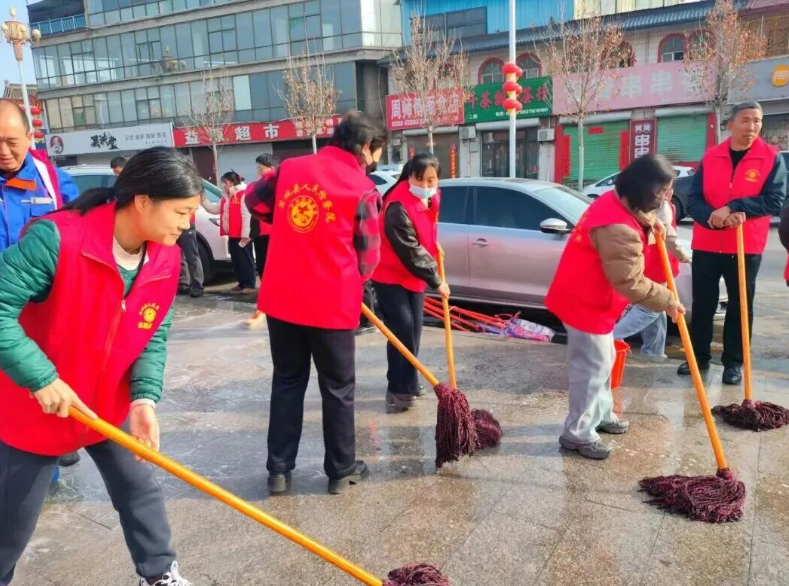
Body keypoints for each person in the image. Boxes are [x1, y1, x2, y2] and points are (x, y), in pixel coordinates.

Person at [0, 147, 202, 586]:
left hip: (106, 403)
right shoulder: (58, 240)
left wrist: (144, 397)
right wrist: (42, 377)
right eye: (182, 211)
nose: (188, 224)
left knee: (140, 490)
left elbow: (152, 333)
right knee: (12, 522)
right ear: (144, 201)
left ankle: (161, 573)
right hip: (38, 405)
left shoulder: (165, 258)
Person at [245, 111, 387, 494]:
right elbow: (368, 258)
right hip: (331, 302)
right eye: (375, 153)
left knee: (288, 381)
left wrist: (292, 224)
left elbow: (253, 203)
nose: (374, 162)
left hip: (283, 297)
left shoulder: (289, 168)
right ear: (364, 147)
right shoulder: (361, 188)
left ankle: (278, 470)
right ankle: (341, 471)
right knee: (337, 388)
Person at [546, 154, 685, 460]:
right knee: (591, 368)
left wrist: (652, 227)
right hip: (585, 302)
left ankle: (602, 413)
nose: (664, 198)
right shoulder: (616, 226)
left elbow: (636, 221)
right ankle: (577, 432)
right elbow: (630, 281)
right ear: (642, 190)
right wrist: (668, 301)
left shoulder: (616, 200)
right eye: (660, 192)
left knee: (605, 358)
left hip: (593, 298)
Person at [680, 101, 787, 385]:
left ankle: (734, 362)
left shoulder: (771, 158)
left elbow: (774, 200)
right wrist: (711, 217)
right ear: (731, 124)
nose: (752, 127)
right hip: (706, 241)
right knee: (703, 302)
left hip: (746, 244)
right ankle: (698, 357)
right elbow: (694, 200)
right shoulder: (712, 156)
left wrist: (735, 206)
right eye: (746, 120)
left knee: (741, 305)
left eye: (757, 121)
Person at [0, 98, 81, 469]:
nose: (4, 152)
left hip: (43, 311)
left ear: (30, 137)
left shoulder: (53, 182)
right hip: (3, 307)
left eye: (12, 141)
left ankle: (46, 459)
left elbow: (81, 235)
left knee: (42, 384)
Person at [371, 153, 450, 411]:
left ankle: (410, 380)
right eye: (422, 179)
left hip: (413, 276)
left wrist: (434, 243)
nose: (427, 185)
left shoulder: (432, 197)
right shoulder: (396, 206)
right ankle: (397, 389)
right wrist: (437, 280)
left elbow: (427, 226)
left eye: (432, 180)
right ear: (410, 176)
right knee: (402, 331)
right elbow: (409, 248)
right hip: (390, 275)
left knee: (414, 331)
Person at [614, 182, 691, 361]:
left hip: (654, 262)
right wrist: (682, 255)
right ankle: (614, 336)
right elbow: (669, 236)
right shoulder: (660, 208)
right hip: (656, 264)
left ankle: (654, 352)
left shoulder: (645, 205)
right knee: (650, 308)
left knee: (658, 306)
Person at [202, 170, 256, 294]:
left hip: (242, 234)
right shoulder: (226, 197)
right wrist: (203, 201)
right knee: (237, 259)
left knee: (246, 260)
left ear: (232, 183)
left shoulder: (243, 194)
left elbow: (246, 215)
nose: (223, 185)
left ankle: (250, 284)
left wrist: (245, 234)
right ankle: (242, 283)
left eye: (225, 183)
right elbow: (215, 210)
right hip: (232, 233)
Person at [245, 154, 278, 327]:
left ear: (272, 168)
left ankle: (271, 304)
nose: (259, 171)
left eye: (262, 168)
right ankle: (266, 304)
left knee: (275, 269)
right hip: (259, 234)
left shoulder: (280, 185)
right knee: (262, 267)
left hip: (274, 234)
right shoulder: (255, 187)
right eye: (257, 168)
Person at [176, 210, 204, 298]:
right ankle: (183, 284)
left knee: (192, 257)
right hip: (173, 225)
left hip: (187, 224)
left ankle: (197, 286)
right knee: (179, 256)